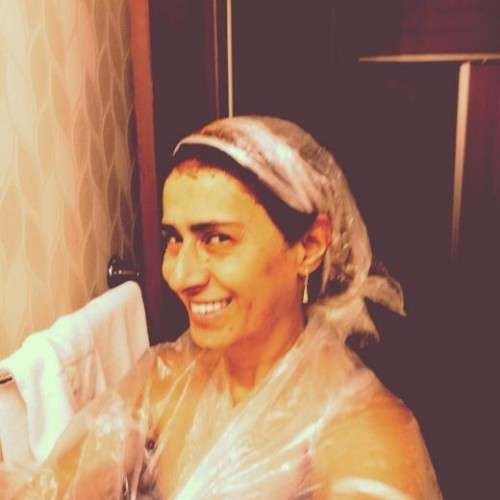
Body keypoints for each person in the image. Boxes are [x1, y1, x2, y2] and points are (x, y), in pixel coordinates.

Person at [4, 116, 441, 499]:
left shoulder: (363, 433)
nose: (180, 274)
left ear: (309, 246)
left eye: (217, 238)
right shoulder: (166, 378)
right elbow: (54, 490)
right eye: (174, 239)